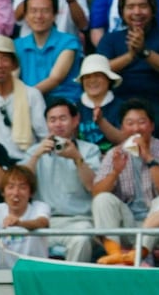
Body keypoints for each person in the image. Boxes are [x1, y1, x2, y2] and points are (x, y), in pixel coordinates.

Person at [23, 100, 106, 260]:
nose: (57, 124)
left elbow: (92, 187)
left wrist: (77, 158)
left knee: (81, 240)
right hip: (42, 221)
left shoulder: (89, 150)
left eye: (63, 118)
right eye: (52, 120)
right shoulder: (34, 151)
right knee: (16, 238)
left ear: (75, 121)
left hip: (79, 221)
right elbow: (20, 186)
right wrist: (35, 157)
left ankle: (71, 285)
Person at [92, 98, 159, 234]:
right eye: (130, 123)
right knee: (102, 199)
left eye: (142, 122)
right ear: (122, 128)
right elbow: (97, 193)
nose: (136, 128)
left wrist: (149, 157)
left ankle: (145, 250)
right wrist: (115, 172)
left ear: (152, 126)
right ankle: (114, 252)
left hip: (156, 224)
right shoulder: (115, 153)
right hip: (126, 222)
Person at [0, 36, 50, 161]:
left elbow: (44, 135)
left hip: (26, 162)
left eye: (5, 59)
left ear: (14, 64)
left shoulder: (32, 95)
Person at [0, 164, 51, 268]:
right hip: (1, 277)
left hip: (34, 274)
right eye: (11, 187)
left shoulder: (39, 207)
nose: (16, 193)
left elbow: (42, 222)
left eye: (22, 187)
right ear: (3, 191)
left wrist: (19, 223)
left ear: (31, 192)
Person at [18, 0, 84, 102]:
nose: (39, 16)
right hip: (28, 104)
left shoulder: (68, 42)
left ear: (55, 15)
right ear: (26, 16)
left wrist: (23, 99)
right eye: (33, 11)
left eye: (45, 11)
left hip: (62, 103)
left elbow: (55, 79)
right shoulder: (17, 45)